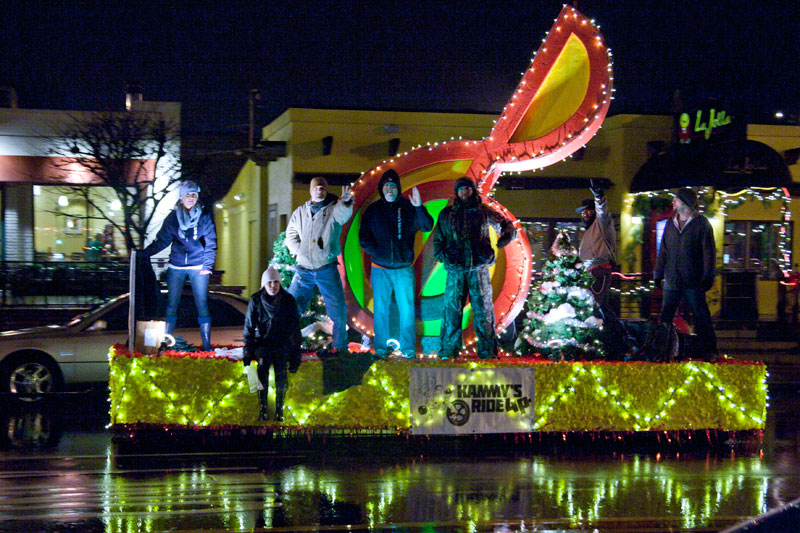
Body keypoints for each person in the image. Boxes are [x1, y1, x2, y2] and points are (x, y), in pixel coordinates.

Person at [433, 177, 516, 359]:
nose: (464, 192)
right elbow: (438, 240)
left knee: (483, 310)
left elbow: (506, 225)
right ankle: (449, 350)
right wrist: (443, 255)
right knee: (452, 310)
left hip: (479, 268)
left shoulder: (483, 211)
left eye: (467, 189)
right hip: (455, 269)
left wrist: (506, 237)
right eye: (461, 189)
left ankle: (487, 352)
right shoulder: (446, 214)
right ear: (457, 192)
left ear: (473, 191)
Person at [359, 169, 434, 358]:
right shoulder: (374, 210)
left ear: (398, 188)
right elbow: (364, 237)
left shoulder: (409, 207)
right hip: (380, 269)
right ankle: (381, 349)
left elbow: (426, 226)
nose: (390, 189)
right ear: (382, 189)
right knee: (381, 310)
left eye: (393, 186)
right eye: (387, 186)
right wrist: (377, 252)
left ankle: (408, 349)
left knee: (407, 310)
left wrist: (419, 207)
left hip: (403, 269)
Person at [143, 180, 217, 351]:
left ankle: (206, 344)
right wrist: (144, 253)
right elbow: (162, 241)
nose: (191, 198)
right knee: (172, 304)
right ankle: (166, 341)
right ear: (181, 197)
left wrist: (207, 266)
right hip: (176, 266)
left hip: (198, 266)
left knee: (202, 304)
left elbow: (211, 243)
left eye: (194, 195)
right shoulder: (172, 218)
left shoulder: (204, 217)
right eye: (187, 194)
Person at [285, 176, 354, 353]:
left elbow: (342, 214)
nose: (320, 190)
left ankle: (340, 347)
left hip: (326, 267)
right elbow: (291, 234)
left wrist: (346, 202)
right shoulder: (300, 212)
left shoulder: (333, 209)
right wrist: (300, 251)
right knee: (290, 308)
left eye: (323, 188)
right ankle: (286, 344)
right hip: (303, 269)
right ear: (311, 190)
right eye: (316, 188)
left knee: (337, 309)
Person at [653, 187, 718, 358]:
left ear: (686, 203)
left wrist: (707, 278)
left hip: (693, 280)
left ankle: (709, 350)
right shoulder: (670, 224)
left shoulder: (702, 224)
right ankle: (662, 350)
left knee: (701, 316)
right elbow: (664, 252)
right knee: (666, 317)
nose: (673, 202)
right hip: (672, 280)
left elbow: (709, 254)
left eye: (676, 199)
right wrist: (658, 274)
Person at [243, 266, 302, 421]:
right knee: (262, 375)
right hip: (263, 344)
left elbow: (295, 327)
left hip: (282, 344)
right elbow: (249, 326)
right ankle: (263, 408)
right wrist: (248, 351)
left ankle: (279, 410)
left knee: (281, 376)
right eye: (269, 282)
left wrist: (296, 354)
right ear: (264, 284)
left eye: (276, 282)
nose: (273, 285)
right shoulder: (256, 300)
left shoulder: (288, 300)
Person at [576, 179, 617, 325]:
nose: (585, 213)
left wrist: (599, 197)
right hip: (590, 273)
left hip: (599, 271)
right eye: (583, 211)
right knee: (600, 307)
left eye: (588, 210)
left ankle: (617, 335)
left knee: (597, 306)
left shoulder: (601, 224)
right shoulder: (588, 231)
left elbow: (603, 213)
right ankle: (617, 335)